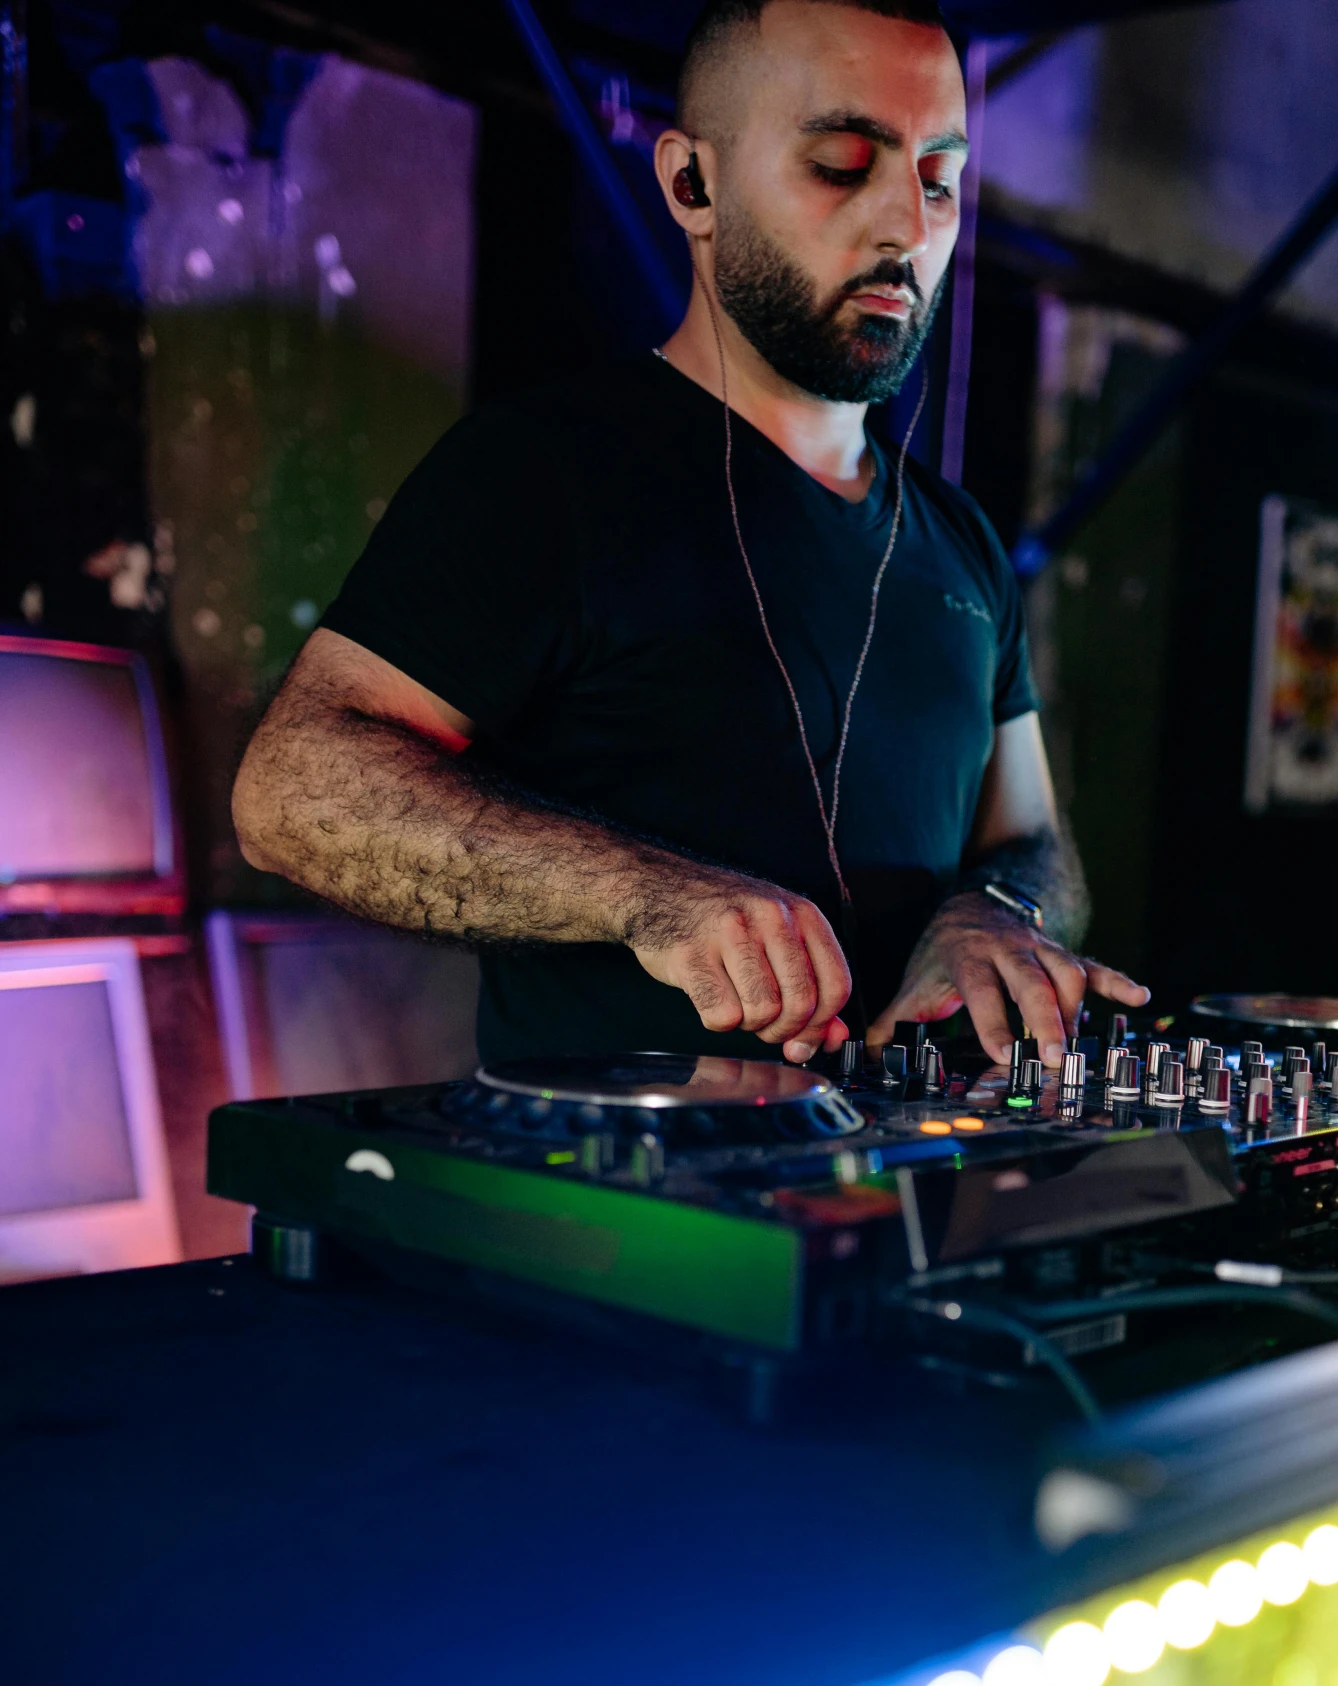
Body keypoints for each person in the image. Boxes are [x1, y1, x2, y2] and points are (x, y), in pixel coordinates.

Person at [232, 0, 1147, 1070]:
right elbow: (292, 790)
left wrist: (997, 911)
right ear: (691, 185)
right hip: (608, 1220)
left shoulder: (961, 544)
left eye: (937, 177)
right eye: (845, 165)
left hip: (908, 1207)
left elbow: (1033, 841)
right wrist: (647, 897)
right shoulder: (544, 473)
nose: (906, 224)